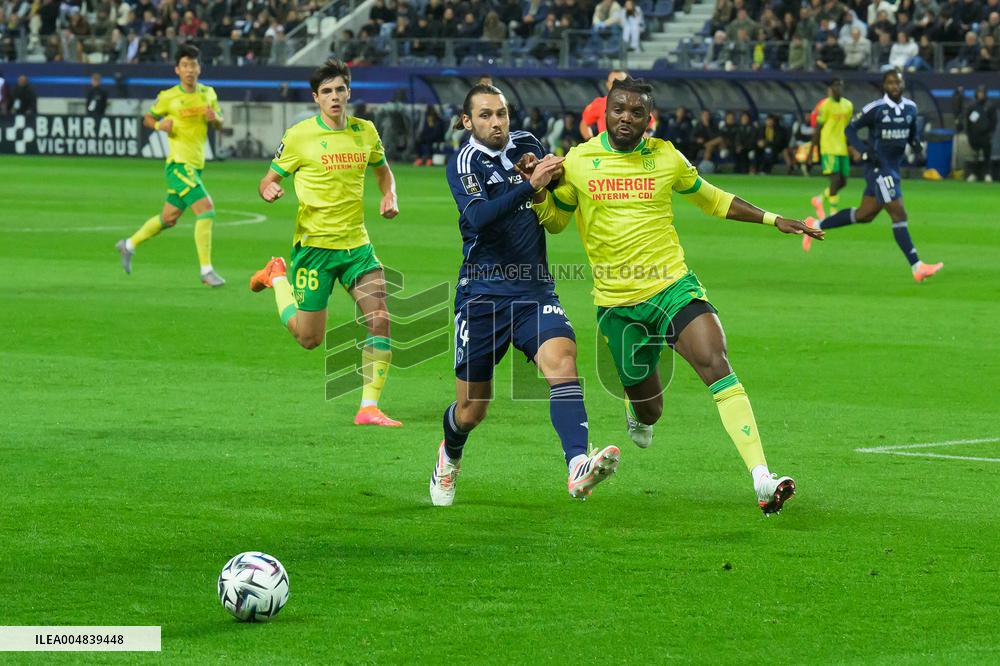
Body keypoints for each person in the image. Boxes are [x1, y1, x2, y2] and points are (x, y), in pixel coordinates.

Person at [528, 77, 820, 515]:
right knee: (651, 411)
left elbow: (713, 199)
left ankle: (762, 477)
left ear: (649, 118)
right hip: (618, 304)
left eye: (636, 112)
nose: (626, 118)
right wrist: (536, 190)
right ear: (605, 112)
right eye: (619, 109)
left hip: (672, 286)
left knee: (716, 362)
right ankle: (636, 408)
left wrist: (772, 219)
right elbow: (555, 222)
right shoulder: (579, 161)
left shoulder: (666, 157)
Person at [428, 85, 622, 506]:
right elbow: (478, 217)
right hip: (482, 294)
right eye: (485, 115)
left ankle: (577, 464)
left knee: (563, 362)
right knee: (472, 410)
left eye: (501, 113)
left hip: (534, 288)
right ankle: (450, 454)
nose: (496, 122)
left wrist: (552, 174)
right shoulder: (464, 162)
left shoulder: (527, 143)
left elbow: (557, 186)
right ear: (467, 121)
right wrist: (527, 184)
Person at [250, 59, 403, 428]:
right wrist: (269, 188)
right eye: (327, 91)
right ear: (316, 98)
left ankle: (368, 407)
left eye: (340, 89)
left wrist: (390, 195)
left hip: (357, 247)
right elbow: (268, 179)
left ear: (348, 92)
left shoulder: (365, 131)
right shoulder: (299, 136)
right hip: (315, 250)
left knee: (380, 318)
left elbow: (384, 173)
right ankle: (277, 277)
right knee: (308, 339)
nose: (335, 96)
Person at [803, 70, 944, 283]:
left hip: (893, 168)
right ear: (884, 86)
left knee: (864, 215)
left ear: (903, 85)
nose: (895, 86)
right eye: (890, 82)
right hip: (878, 169)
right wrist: (863, 151)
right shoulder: (875, 109)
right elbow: (850, 129)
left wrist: (916, 145)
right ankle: (918, 266)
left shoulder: (911, 108)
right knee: (899, 214)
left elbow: (912, 134)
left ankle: (814, 225)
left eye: (898, 82)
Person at [115, 45, 224, 286]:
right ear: (177, 70)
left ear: (199, 68)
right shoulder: (168, 97)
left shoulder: (208, 93)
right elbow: (148, 118)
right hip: (178, 165)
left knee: (169, 218)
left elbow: (220, 122)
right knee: (206, 209)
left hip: (196, 166)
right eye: (185, 65)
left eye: (193, 65)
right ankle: (206, 271)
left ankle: (128, 245)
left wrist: (216, 119)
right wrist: (158, 126)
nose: (189, 70)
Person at [810, 78, 854, 216]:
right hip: (828, 146)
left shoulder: (848, 105)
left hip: (842, 147)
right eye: (834, 86)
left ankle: (819, 199)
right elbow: (818, 128)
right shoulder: (825, 106)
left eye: (839, 86)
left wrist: (851, 145)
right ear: (829, 89)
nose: (837, 89)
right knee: (835, 179)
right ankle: (833, 212)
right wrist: (812, 150)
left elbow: (848, 127)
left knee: (843, 181)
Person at [579, 69, 627, 141]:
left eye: (622, 83)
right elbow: (584, 123)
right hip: (606, 147)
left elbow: (646, 127)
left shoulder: (639, 103)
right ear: (608, 85)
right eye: (613, 83)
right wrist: (591, 142)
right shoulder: (599, 103)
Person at [964, 85, 997, 182]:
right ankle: (973, 174)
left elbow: (993, 121)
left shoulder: (990, 106)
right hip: (974, 136)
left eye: (982, 93)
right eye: (979, 93)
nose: (980, 95)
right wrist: (969, 134)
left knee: (987, 156)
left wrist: (990, 133)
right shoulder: (973, 106)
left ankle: (987, 174)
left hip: (986, 136)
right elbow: (968, 121)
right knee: (974, 156)